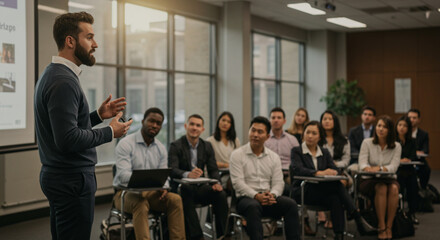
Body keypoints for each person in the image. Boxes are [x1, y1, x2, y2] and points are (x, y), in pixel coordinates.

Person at [34, 12, 132, 240]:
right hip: (71, 180)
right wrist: (110, 132)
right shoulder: (63, 81)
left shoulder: (53, 74)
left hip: (61, 177)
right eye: (89, 37)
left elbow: (66, 127)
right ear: (70, 41)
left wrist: (98, 116)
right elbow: (68, 138)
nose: (95, 44)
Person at [291, 121, 375, 240]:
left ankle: (339, 235)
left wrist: (333, 172)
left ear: (320, 136)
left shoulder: (324, 152)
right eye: (308, 132)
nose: (310, 136)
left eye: (314, 133)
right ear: (303, 134)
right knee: (337, 187)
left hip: (322, 191)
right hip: (304, 190)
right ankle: (357, 217)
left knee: (335, 198)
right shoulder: (296, 151)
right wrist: (318, 173)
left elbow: (335, 168)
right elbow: (298, 169)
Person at [113, 107, 185, 240]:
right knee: (140, 203)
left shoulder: (161, 148)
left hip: (152, 193)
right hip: (124, 194)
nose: (154, 125)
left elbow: (164, 176)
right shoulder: (125, 144)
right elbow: (123, 177)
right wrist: (147, 181)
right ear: (142, 121)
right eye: (151, 121)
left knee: (175, 200)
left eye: (158, 123)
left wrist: (164, 187)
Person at [230, 116, 300, 240]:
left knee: (291, 204)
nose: (255, 135)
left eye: (260, 132)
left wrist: (272, 195)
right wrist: (256, 196)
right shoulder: (237, 155)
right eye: (253, 130)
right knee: (253, 206)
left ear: (267, 136)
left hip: (268, 198)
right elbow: (238, 183)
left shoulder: (273, 157)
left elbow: (279, 183)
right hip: (246, 200)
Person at [168, 114, 228, 240]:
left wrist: (216, 183)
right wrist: (187, 174)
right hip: (182, 188)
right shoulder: (176, 145)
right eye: (192, 124)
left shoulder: (206, 146)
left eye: (198, 125)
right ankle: (197, 236)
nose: (194, 128)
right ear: (186, 126)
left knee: (220, 194)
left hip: (200, 187)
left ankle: (224, 235)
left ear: (202, 129)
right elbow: (172, 170)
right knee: (186, 190)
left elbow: (213, 169)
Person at [358, 116, 401, 240]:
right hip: (369, 179)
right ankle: (381, 225)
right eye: (379, 126)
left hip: (388, 178)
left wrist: (379, 168)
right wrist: (369, 168)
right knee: (381, 188)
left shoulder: (396, 146)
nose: (381, 129)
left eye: (385, 127)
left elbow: (394, 167)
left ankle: (389, 226)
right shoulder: (367, 142)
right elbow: (362, 164)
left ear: (390, 130)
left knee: (393, 188)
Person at [319, 110, 352, 228]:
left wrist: (333, 165)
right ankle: (347, 213)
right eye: (324, 119)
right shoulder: (317, 139)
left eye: (330, 119)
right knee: (331, 186)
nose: (327, 121)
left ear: (335, 122)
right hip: (321, 173)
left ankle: (333, 218)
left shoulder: (344, 140)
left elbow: (346, 161)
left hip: (340, 172)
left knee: (340, 182)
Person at [206, 111, 240, 191]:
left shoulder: (235, 140)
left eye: (228, 122)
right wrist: (225, 165)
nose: (225, 123)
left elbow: (239, 159)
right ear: (218, 122)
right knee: (234, 182)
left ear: (231, 125)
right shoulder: (210, 141)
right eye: (223, 120)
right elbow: (209, 162)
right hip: (218, 174)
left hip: (234, 172)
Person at [395, 116, 419, 224]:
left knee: (413, 184)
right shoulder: (393, 141)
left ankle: (412, 212)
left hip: (409, 169)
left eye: (405, 126)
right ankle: (398, 212)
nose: (402, 128)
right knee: (400, 178)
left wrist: (408, 159)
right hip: (396, 170)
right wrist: (400, 160)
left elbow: (413, 156)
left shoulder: (412, 141)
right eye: (400, 125)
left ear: (408, 128)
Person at [407, 108, 430, 189]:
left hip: (418, 161)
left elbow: (425, 151)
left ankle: (423, 189)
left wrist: (413, 152)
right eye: (409, 117)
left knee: (426, 169)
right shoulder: (402, 132)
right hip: (404, 160)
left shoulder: (423, 134)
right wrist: (415, 152)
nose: (411, 120)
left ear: (419, 119)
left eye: (414, 118)